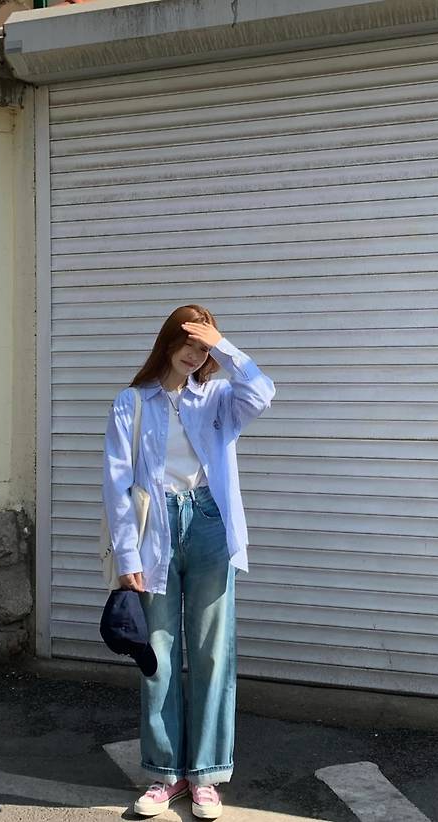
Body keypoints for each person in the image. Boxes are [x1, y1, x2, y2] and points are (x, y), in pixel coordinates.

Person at [102, 304, 275, 819]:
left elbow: (262, 392)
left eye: (204, 347)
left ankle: (206, 775)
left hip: (208, 523)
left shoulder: (219, 397)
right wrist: (127, 554)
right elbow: (116, 484)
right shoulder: (131, 402)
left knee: (211, 653)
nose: (196, 354)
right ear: (168, 341)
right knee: (156, 653)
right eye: (189, 342)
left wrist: (225, 347)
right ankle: (164, 773)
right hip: (154, 529)